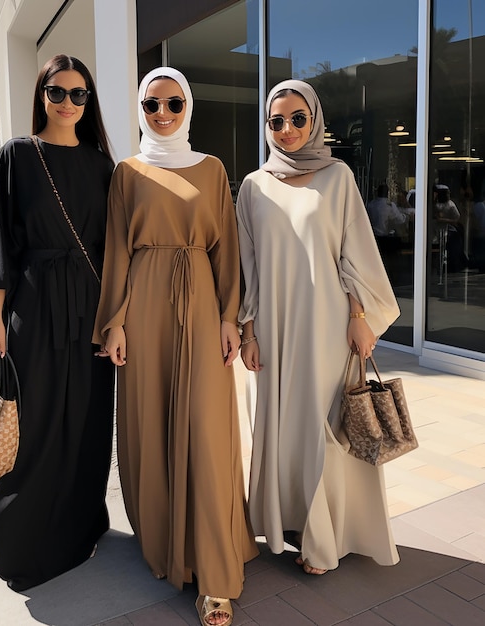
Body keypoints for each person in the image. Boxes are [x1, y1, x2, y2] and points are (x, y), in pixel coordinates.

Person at [94, 67, 258, 626]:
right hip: (144, 315)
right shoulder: (127, 172)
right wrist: (114, 323)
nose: (162, 114)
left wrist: (230, 317)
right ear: (140, 108)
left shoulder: (212, 170)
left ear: (188, 106)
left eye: (173, 103)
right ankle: (166, 543)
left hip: (204, 306)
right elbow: (117, 250)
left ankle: (215, 577)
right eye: (152, 104)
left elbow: (227, 251)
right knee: (151, 425)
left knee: (208, 435)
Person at [0, 54, 115, 592]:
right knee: (34, 422)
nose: (68, 103)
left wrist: (117, 319)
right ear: (41, 94)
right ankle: (22, 542)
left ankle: (79, 526)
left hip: (90, 308)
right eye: (57, 92)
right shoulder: (16, 155)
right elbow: (2, 238)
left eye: (79, 95)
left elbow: (113, 249)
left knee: (89, 421)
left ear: (88, 102)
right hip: (36, 304)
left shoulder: (100, 163)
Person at [236, 79, 401, 577]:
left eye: (297, 119)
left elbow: (354, 254)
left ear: (315, 120)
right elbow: (248, 268)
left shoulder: (338, 177)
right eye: (276, 121)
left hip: (329, 325)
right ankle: (287, 523)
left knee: (324, 428)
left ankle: (322, 539)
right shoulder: (252, 186)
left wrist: (359, 319)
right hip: (275, 326)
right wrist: (248, 331)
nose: (286, 130)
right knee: (284, 426)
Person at [433, 185, 467, 272]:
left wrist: (442, 220)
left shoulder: (450, 204)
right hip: (436, 230)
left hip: (449, 230)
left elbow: (457, 218)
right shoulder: (435, 204)